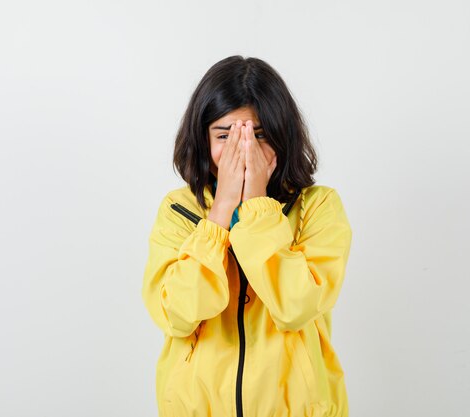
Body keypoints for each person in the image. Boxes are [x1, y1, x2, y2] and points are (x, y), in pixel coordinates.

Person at [141, 55, 353, 417]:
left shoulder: (319, 207)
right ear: (202, 138)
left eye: (259, 135)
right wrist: (221, 212)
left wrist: (256, 208)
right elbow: (176, 314)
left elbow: (296, 306)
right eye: (225, 135)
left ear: (282, 136)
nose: (244, 150)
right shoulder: (177, 211)